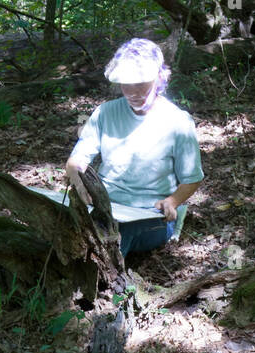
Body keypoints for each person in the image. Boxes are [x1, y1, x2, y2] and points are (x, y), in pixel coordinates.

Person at [65, 37, 204, 260]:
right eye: (125, 85)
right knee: (66, 221)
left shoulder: (177, 122)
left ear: (159, 78)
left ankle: (99, 281)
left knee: (118, 233)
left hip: (150, 216)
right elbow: (76, 160)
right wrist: (79, 182)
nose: (132, 92)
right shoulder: (105, 112)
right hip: (104, 206)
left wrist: (172, 201)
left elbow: (192, 178)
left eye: (140, 84)